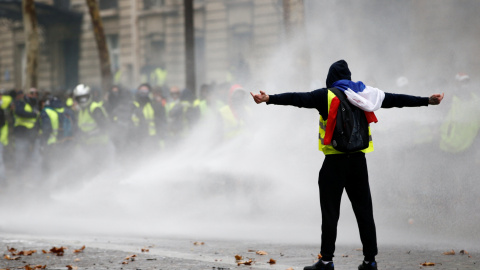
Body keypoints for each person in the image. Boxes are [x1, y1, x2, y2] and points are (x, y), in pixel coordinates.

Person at [250, 60, 444, 270]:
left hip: (334, 162)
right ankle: (370, 261)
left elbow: (298, 98)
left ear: (330, 78)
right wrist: (426, 100)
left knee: (330, 213)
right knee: (364, 212)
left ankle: (326, 261)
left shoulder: (326, 95)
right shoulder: (365, 94)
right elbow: (396, 99)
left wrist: (269, 99)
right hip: (359, 163)